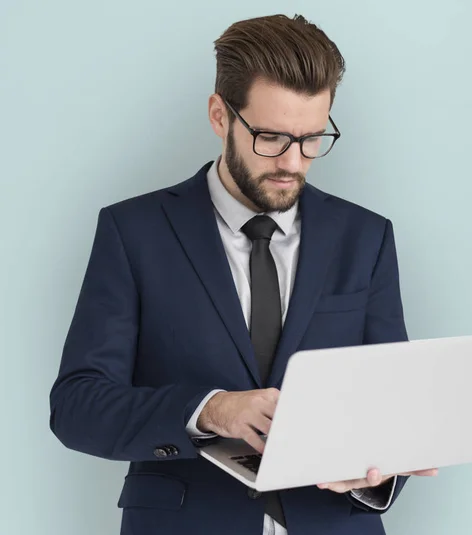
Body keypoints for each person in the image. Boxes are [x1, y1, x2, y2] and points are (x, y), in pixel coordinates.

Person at [49, 13, 438, 535]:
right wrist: (209, 410)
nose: (293, 162)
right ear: (219, 115)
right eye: (271, 137)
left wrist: (377, 472)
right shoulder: (134, 231)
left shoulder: (365, 237)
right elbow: (78, 405)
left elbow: (391, 398)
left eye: (312, 138)